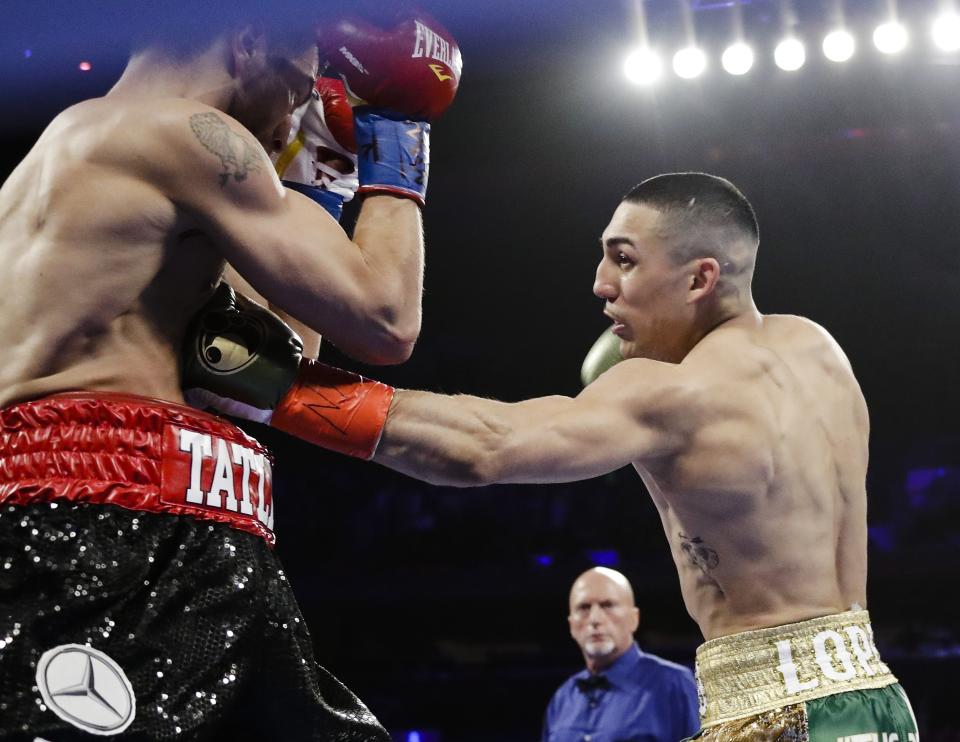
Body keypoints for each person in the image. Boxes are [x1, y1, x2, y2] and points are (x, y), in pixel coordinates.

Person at [190, 173, 919, 739]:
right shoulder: (817, 347)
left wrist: (280, 390)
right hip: (879, 698)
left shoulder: (670, 393)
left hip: (777, 715)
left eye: (624, 262)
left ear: (699, 279)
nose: (601, 284)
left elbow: (486, 449)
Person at [0, 8, 460, 739]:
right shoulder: (185, 136)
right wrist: (400, 135)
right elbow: (385, 318)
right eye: (302, 87)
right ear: (247, 43)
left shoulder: (100, 157)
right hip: (101, 526)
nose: (302, 113)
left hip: (163, 522)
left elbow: (279, 351)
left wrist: (321, 176)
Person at [542, 567, 699, 742]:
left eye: (607, 605)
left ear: (634, 618)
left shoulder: (674, 684)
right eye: (584, 607)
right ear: (571, 625)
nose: (595, 619)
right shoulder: (563, 698)